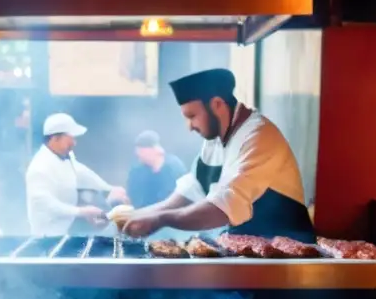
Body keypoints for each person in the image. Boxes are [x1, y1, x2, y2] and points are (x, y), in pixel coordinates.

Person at [118, 68, 311, 241]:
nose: (190, 127)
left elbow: (224, 207)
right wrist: (141, 214)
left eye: (192, 116)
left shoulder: (259, 137)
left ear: (217, 104)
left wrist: (161, 219)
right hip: (246, 250)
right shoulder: (215, 140)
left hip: (285, 253)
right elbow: (192, 190)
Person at [25, 113, 126, 235]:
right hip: (46, 237)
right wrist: (82, 212)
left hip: (66, 231)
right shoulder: (39, 168)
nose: (74, 142)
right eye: (70, 138)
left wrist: (109, 188)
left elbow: (83, 173)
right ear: (55, 138)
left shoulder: (67, 156)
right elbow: (48, 206)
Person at [126, 130, 186, 209]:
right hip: (143, 214)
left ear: (154, 149)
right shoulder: (137, 171)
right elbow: (134, 196)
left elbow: (182, 194)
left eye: (141, 150)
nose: (138, 154)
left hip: (172, 214)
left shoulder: (174, 166)